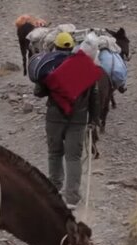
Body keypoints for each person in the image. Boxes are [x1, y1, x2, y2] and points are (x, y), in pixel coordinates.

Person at [34, 32, 101, 209]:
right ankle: (71, 198)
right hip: (78, 120)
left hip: (54, 118)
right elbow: (94, 97)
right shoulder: (86, 67)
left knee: (54, 154)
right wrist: (93, 120)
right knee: (73, 157)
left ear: (55, 46)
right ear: (73, 47)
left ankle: (54, 191)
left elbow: (38, 92)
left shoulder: (51, 65)